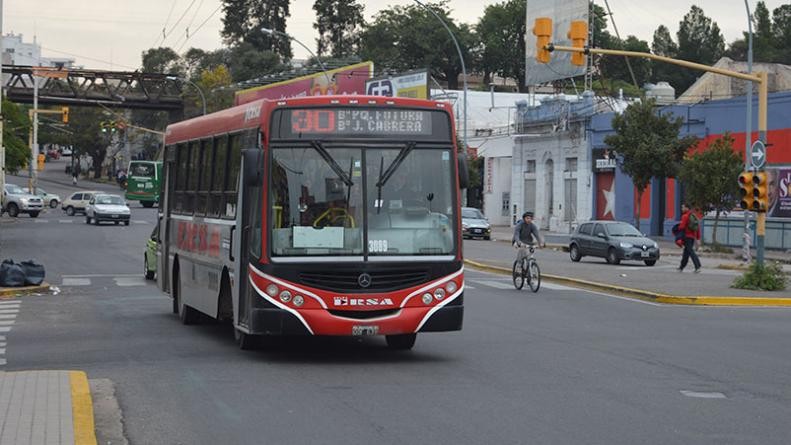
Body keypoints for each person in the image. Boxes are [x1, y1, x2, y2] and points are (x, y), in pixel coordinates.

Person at [677, 203, 701, 273]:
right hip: (692, 237)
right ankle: (681, 267)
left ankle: (698, 266)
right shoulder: (693, 216)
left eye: (683, 207)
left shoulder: (685, 216)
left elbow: (681, 227)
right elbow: (697, 228)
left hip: (686, 237)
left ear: (687, 208)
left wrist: (678, 229)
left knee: (690, 252)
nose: (682, 209)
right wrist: (698, 238)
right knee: (686, 253)